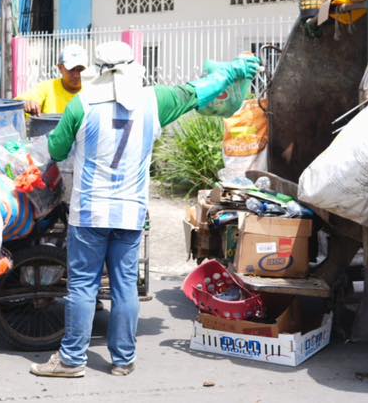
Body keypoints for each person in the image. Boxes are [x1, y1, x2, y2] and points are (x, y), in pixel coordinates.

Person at [30, 42, 259, 378]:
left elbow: (57, 149)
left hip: (90, 212)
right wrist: (233, 73)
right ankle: (123, 360)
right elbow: (198, 91)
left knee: (82, 286)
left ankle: (72, 360)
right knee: (124, 285)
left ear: (100, 70)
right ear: (133, 66)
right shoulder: (154, 100)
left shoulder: (82, 104)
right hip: (130, 213)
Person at [16, 44, 88, 116]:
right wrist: (27, 104)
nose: (76, 75)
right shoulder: (47, 87)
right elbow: (16, 104)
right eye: (71, 69)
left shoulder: (90, 93)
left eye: (80, 69)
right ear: (60, 68)